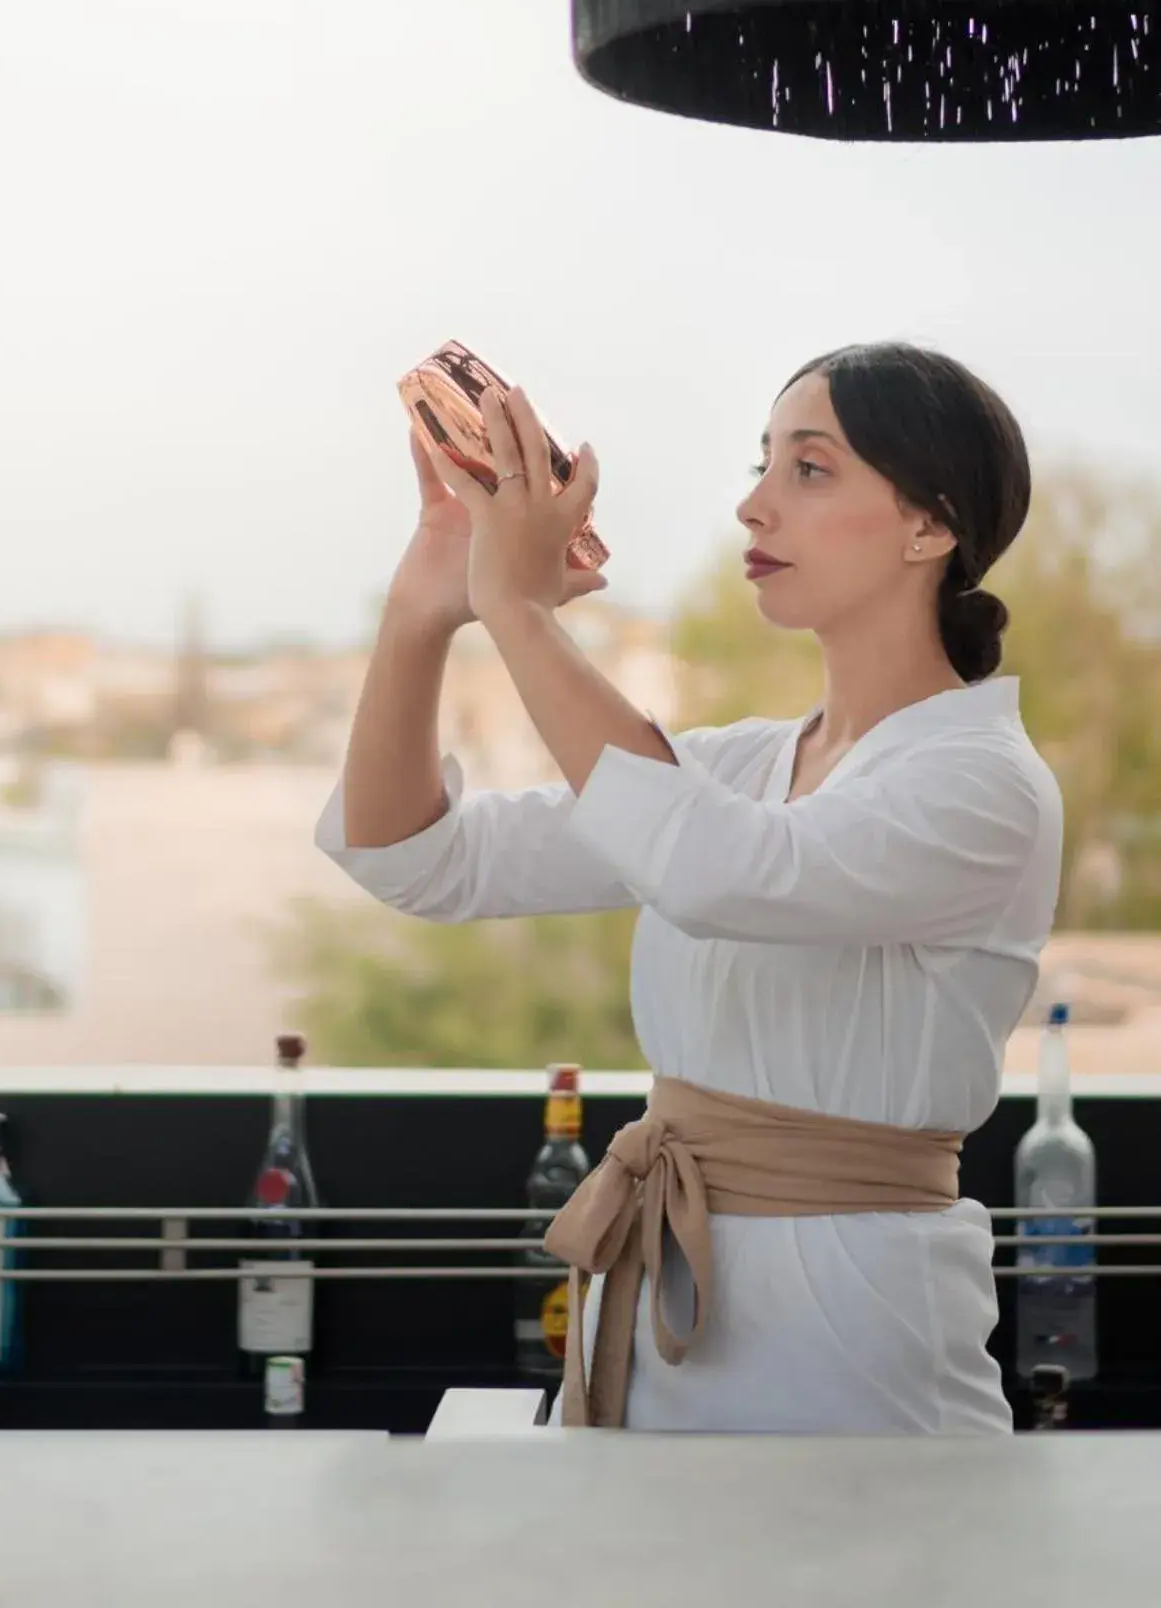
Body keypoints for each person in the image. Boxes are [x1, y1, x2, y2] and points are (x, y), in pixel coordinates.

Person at [314, 342, 1063, 1435]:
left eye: (809, 469)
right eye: (762, 463)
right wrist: (429, 605)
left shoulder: (983, 783)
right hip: (658, 1319)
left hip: (858, 1351)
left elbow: (719, 873)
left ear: (929, 524)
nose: (754, 504)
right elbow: (415, 856)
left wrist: (521, 610)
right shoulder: (734, 767)